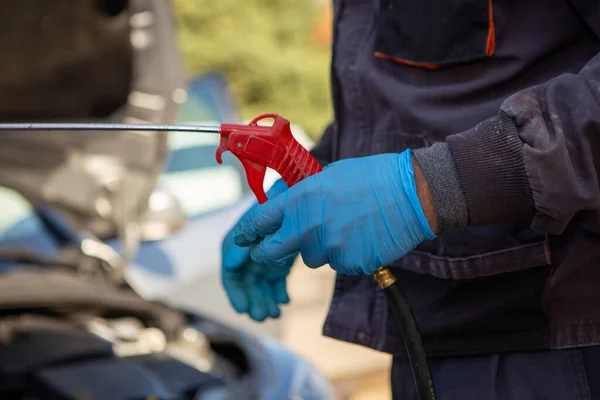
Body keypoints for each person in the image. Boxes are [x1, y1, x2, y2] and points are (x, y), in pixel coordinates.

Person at [221, 1, 600, 398]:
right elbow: (408, 96)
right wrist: (312, 174)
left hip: (559, 339)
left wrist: (430, 187)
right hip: (428, 334)